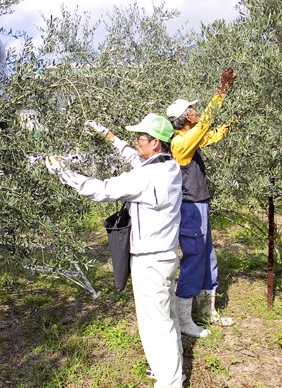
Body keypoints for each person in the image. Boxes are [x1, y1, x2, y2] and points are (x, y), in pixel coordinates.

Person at [50, 114, 184, 388]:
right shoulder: (170, 167)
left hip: (149, 260)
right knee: (166, 316)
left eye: (141, 138)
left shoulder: (146, 177)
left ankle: (170, 382)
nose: (137, 141)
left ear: (155, 143)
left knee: (156, 324)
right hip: (167, 256)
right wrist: (107, 134)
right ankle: (172, 371)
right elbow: (135, 159)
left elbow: (101, 190)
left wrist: (63, 173)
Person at [165, 67, 237, 338]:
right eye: (192, 110)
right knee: (195, 257)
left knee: (208, 256)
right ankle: (184, 320)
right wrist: (221, 93)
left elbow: (212, 134)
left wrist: (234, 120)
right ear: (185, 118)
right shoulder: (180, 143)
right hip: (190, 207)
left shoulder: (190, 140)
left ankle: (207, 311)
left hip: (200, 204)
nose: (196, 112)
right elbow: (206, 125)